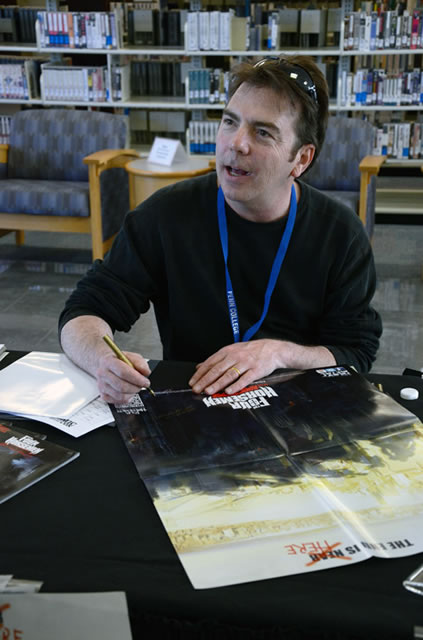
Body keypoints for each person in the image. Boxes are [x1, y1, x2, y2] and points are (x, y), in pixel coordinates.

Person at [59, 55, 382, 405]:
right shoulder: (165, 214)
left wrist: (279, 353)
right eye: (230, 122)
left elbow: (355, 352)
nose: (236, 143)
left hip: (299, 409)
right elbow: (84, 311)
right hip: (194, 405)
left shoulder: (341, 234)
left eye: (262, 132)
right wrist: (103, 361)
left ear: (301, 159)